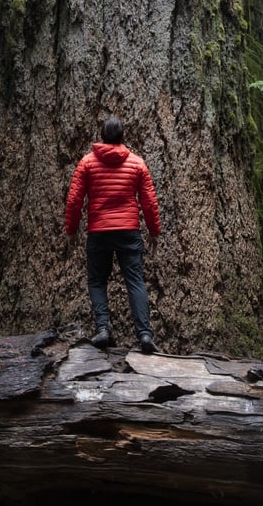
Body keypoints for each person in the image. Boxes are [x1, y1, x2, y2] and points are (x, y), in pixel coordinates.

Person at [64, 115, 162, 353]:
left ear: (102, 136)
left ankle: (102, 329)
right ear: (122, 136)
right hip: (129, 231)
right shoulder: (137, 164)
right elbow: (149, 201)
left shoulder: (87, 163)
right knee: (136, 281)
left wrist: (71, 229)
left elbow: (75, 200)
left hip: (99, 232)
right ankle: (145, 334)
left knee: (97, 281)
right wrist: (153, 230)